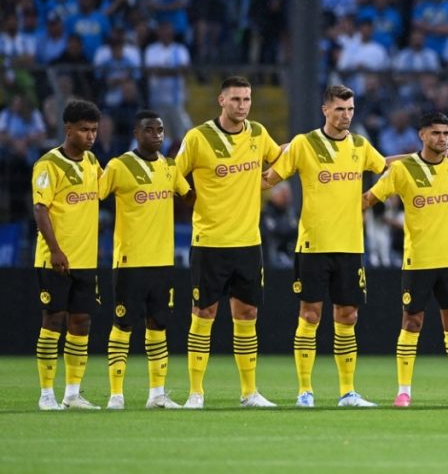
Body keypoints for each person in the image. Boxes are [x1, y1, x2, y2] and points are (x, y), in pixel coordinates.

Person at [362, 111, 448, 407]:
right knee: (411, 323)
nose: (442, 138)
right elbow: (369, 199)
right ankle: (403, 391)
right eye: (435, 133)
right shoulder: (403, 169)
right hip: (419, 261)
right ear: (422, 135)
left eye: (446, 133)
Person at [263, 85, 389, 408]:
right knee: (310, 314)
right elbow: (269, 179)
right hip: (313, 245)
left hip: (350, 245)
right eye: (339, 110)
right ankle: (305, 390)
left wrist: (425, 156)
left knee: (347, 316)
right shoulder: (304, 144)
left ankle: (348, 392)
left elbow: (385, 164)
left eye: (350, 110)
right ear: (325, 111)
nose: (346, 116)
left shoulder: (360, 145)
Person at [175, 76, 282, 408]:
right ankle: (196, 392)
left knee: (247, 314)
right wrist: (190, 195)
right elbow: (172, 173)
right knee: (203, 312)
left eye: (247, 99)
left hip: (248, 241)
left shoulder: (258, 134)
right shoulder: (198, 137)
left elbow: (279, 159)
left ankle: (249, 392)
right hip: (210, 241)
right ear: (221, 101)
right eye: (236, 99)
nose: (243, 105)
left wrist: (266, 180)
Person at [99, 110, 193, 410]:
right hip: (129, 261)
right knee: (123, 324)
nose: (157, 135)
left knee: (158, 325)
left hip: (162, 261)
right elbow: (94, 197)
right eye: (150, 130)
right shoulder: (119, 165)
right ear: (137, 134)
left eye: (160, 130)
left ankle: (157, 393)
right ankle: (116, 394)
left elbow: (188, 196)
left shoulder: (168, 167)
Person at [32, 99, 103, 410]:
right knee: (53, 319)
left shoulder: (92, 163)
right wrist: (56, 249)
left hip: (86, 259)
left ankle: (72, 393)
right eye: (84, 130)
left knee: (81, 322)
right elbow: (40, 208)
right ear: (68, 129)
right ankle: (46, 393)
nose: (90, 136)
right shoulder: (48, 164)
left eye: (94, 131)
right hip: (56, 259)